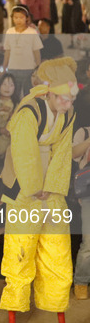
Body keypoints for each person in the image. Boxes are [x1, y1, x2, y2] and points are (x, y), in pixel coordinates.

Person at [0, 57, 78, 323]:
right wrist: (35, 188)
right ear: (51, 92)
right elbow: (23, 152)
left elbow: (63, 151)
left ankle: (56, 306)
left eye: (71, 98)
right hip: (24, 188)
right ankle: (13, 313)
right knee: (20, 251)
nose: (68, 104)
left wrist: (52, 186)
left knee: (57, 251)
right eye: (64, 98)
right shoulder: (28, 111)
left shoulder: (68, 112)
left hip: (51, 189)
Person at [3, 6, 42, 98]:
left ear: (27, 18)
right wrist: (4, 67)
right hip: (13, 68)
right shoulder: (9, 32)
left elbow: (36, 51)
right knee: (14, 93)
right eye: (16, 17)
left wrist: (38, 67)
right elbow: (7, 51)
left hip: (28, 68)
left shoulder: (32, 32)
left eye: (21, 17)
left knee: (28, 93)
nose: (18, 20)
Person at [73, 122, 90, 300]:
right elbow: (73, 154)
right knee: (89, 242)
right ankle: (81, 282)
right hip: (88, 194)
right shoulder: (83, 131)